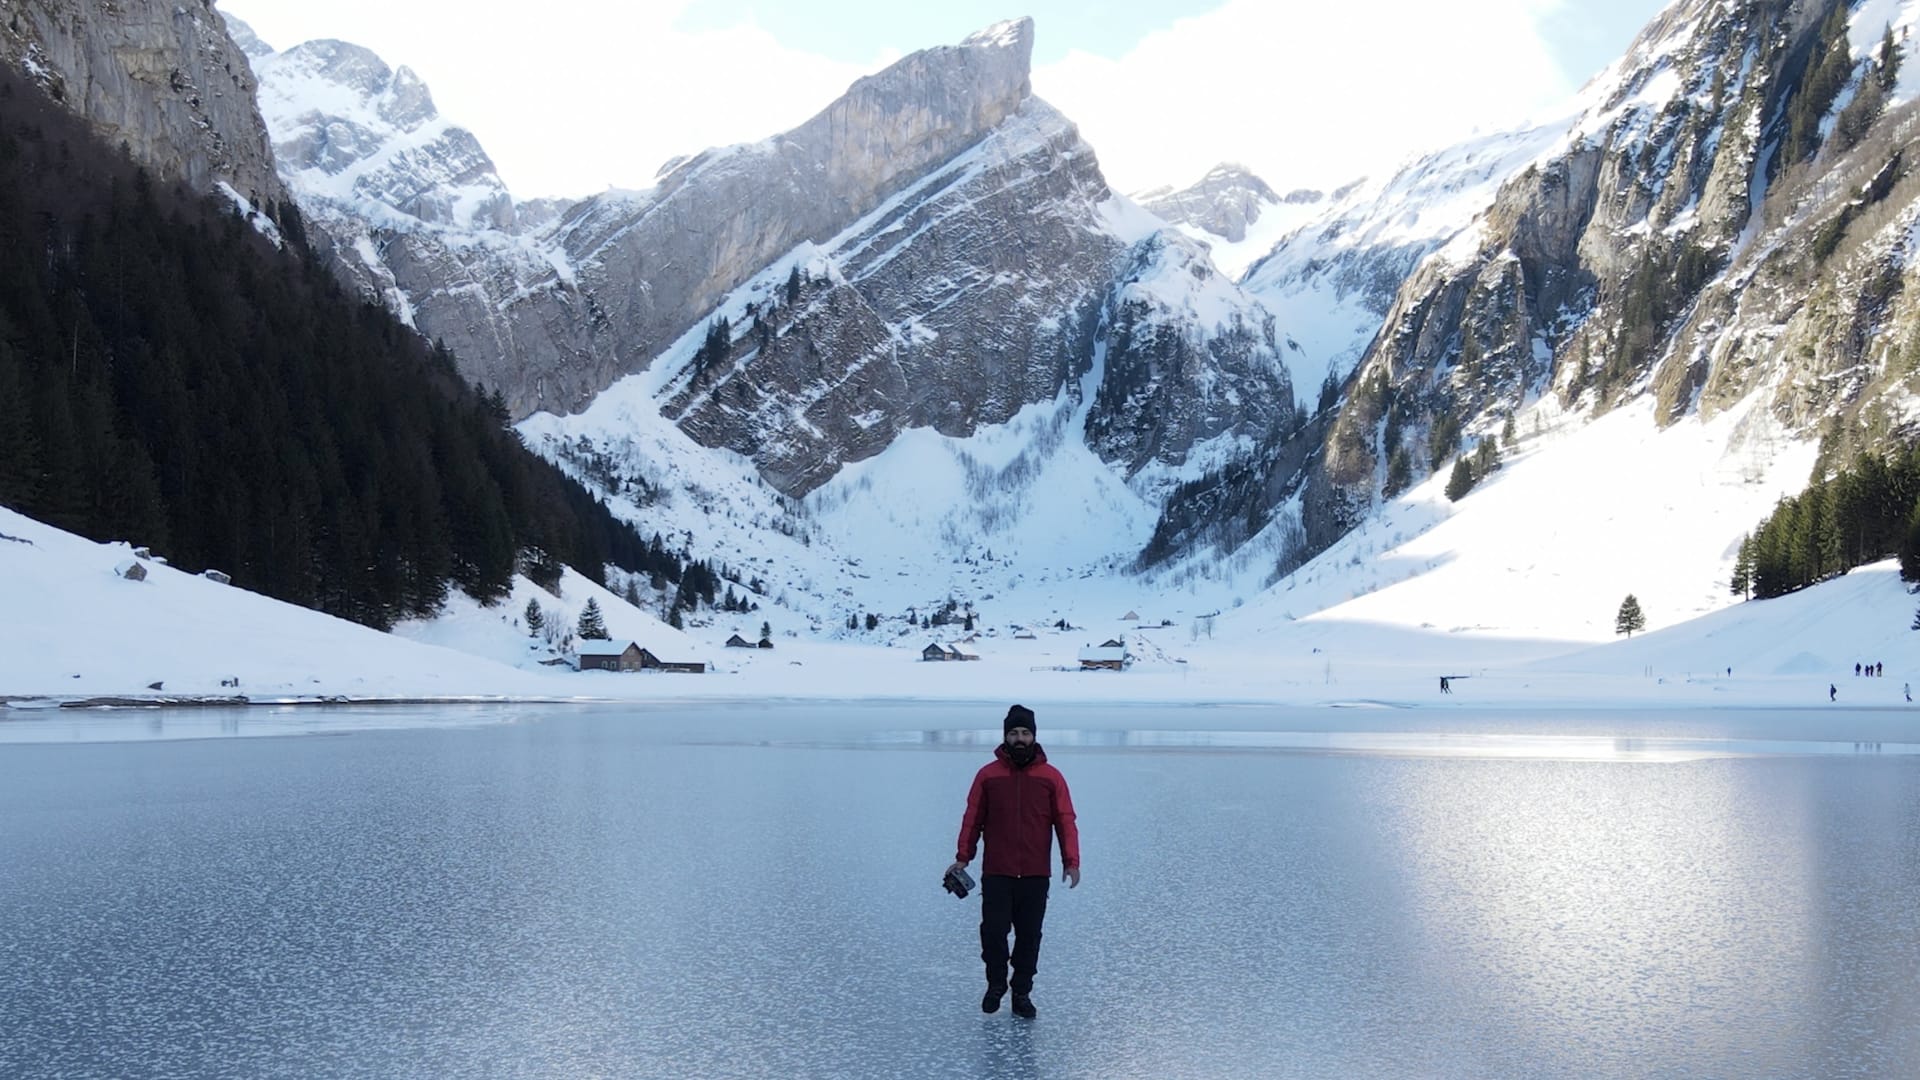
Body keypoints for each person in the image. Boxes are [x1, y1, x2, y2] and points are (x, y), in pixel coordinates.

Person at [949, 704, 1079, 1020]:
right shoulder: (988, 776)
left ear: (1033, 736)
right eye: (1013, 733)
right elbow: (972, 819)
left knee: (1029, 937)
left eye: (1025, 733)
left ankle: (1021, 993)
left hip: (1036, 873)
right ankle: (996, 985)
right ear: (1005, 736)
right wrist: (963, 858)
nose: (1019, 738)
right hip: (997, 871)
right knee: (993, 932)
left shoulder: (1051, 777)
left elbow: (1065, 820)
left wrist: (1071, 861)